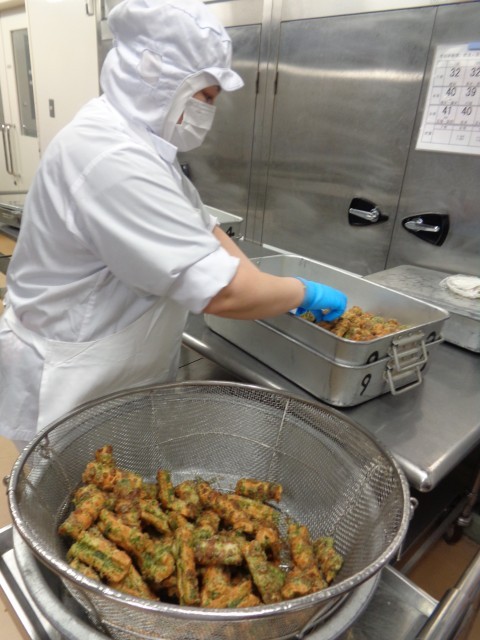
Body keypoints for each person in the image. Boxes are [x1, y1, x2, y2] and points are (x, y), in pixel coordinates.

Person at [0, 0, 347, 449]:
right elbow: (223, 293)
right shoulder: (110, 157)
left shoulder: (141, 145)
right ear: (158, 78)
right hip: (74, 372)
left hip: (114, 366)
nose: (208, 112)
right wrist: (302, 292)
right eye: (205, 97)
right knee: (83, 485)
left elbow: (207, 230)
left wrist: (262, 284)